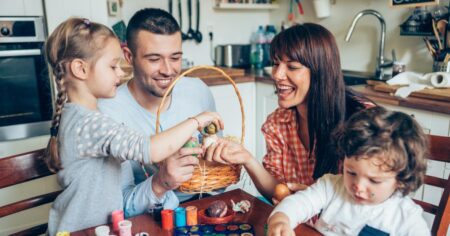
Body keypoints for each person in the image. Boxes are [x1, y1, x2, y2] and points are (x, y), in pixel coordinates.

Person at [43, 18, 223, 234]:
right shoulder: (89, 123)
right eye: (112, 66)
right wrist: (196, 121)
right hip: (81, 231)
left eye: (175, 57)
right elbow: (149, 149)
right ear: (80, 69)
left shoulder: (85, 117)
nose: (120, 72)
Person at [206, 23, 375, 202]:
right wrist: (247, 159)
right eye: (275, 64)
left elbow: (375, 197)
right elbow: (277, 190)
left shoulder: (363, 122)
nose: (277, 75)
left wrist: (318, 200)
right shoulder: (277, 123)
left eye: (292, 67)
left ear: (321, 72)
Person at [98, 8, 218, 214]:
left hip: (202, 208)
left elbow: (217, 174)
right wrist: (160, 182)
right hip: (146, 218)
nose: (167, 70)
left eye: (175, 57)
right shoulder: (106, 112)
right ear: (128, 56)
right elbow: (119, 208)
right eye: (154, 59)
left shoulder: (198, 90)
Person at [267, 106, 430, 236]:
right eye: (351, 172)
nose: (358, 186)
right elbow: (299, 203)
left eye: (374, 181)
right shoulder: (330, 186)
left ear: (401, 180)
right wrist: (281, 218)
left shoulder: (407, 219)